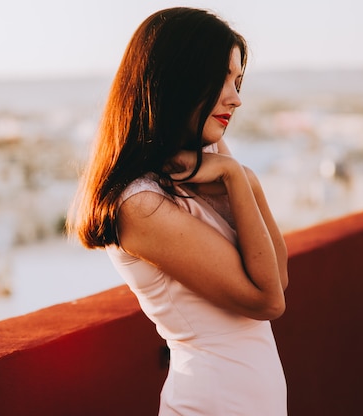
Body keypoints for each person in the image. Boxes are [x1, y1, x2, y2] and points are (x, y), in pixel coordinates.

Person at [67, 7, 289, 415]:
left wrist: (243, 178)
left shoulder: (208, 156)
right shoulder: (139, 204)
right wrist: (236, 178)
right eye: (220, 79)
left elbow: (279, 274)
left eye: (237, 81)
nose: (236, 98)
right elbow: (268, 300)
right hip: (212, 401)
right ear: (175, 80)